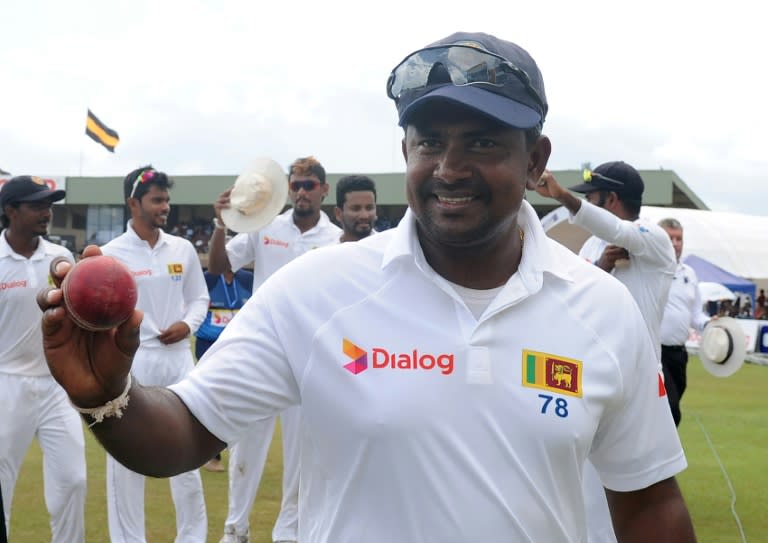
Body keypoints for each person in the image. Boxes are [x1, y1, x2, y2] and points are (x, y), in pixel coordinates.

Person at [38, 32, 696, 542]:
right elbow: (184, 429)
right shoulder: (317, 291)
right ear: (404, 150)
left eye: (484, 143)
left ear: (537, 160)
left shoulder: (602, 310)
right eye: (428, 140)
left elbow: (649, 504)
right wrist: (109, 396)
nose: (449, 167)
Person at [535, 163, 677, 542]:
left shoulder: (654, 240)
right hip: (588, 377)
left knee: (634, 491)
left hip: (639, 385)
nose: (585, 204)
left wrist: (562, 196)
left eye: (590, 198)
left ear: (611, 199)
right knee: (584, 490)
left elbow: (618, 230)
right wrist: (602, 266)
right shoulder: (592, 246)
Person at [207, 156, 341, 543]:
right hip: (264, 349)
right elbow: (219, 268)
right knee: (246, 446)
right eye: (296, 185)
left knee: (302, 453)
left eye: (309, 185)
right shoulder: (265, 225)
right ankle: (236, 529)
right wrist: (221, 223)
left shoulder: (333, 239)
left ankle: (289, 532)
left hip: (311, 355)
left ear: (323, 190)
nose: (301, 192)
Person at [99, 166, 209, 542]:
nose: (165, 206)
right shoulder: (111, 253)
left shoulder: (182, 248)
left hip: (179, 359)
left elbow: (199, 298)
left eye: (167, 199)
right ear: (134, 203)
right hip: (133, 362)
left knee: (188, 457)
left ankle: (192, 537)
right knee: (125, 460)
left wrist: (188, 325)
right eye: (157, 200)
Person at [0, 176, 86, 542]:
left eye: (48, 205)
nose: (46, 213)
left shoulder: (60, 260)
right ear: (10, 211)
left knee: (74, 479)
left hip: (55, 386)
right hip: (6, 383)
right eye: (36, 206)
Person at [195, 264, 254, 472]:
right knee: (212, 399)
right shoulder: (209, 278)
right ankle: (211, 455)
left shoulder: (247, 279)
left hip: (239, 346)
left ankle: (239, 453)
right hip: (208, 346)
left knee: (237, 399)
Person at [658, 218, 710, 426]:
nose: (675, 243)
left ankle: (655, 453)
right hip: (655, 352)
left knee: (671, 408)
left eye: (679, 238)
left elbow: (696, 314)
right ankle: (663, 456)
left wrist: (711, 325)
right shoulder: (650, 270)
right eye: (669, 238)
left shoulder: (689, 274)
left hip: (679, 354)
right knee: (670, 410)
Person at [334, 174, 378, 242]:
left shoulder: (389, 248)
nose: (364, 216)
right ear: (338, 213)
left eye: (369, 208)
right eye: (356, 209)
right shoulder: (325, 249)